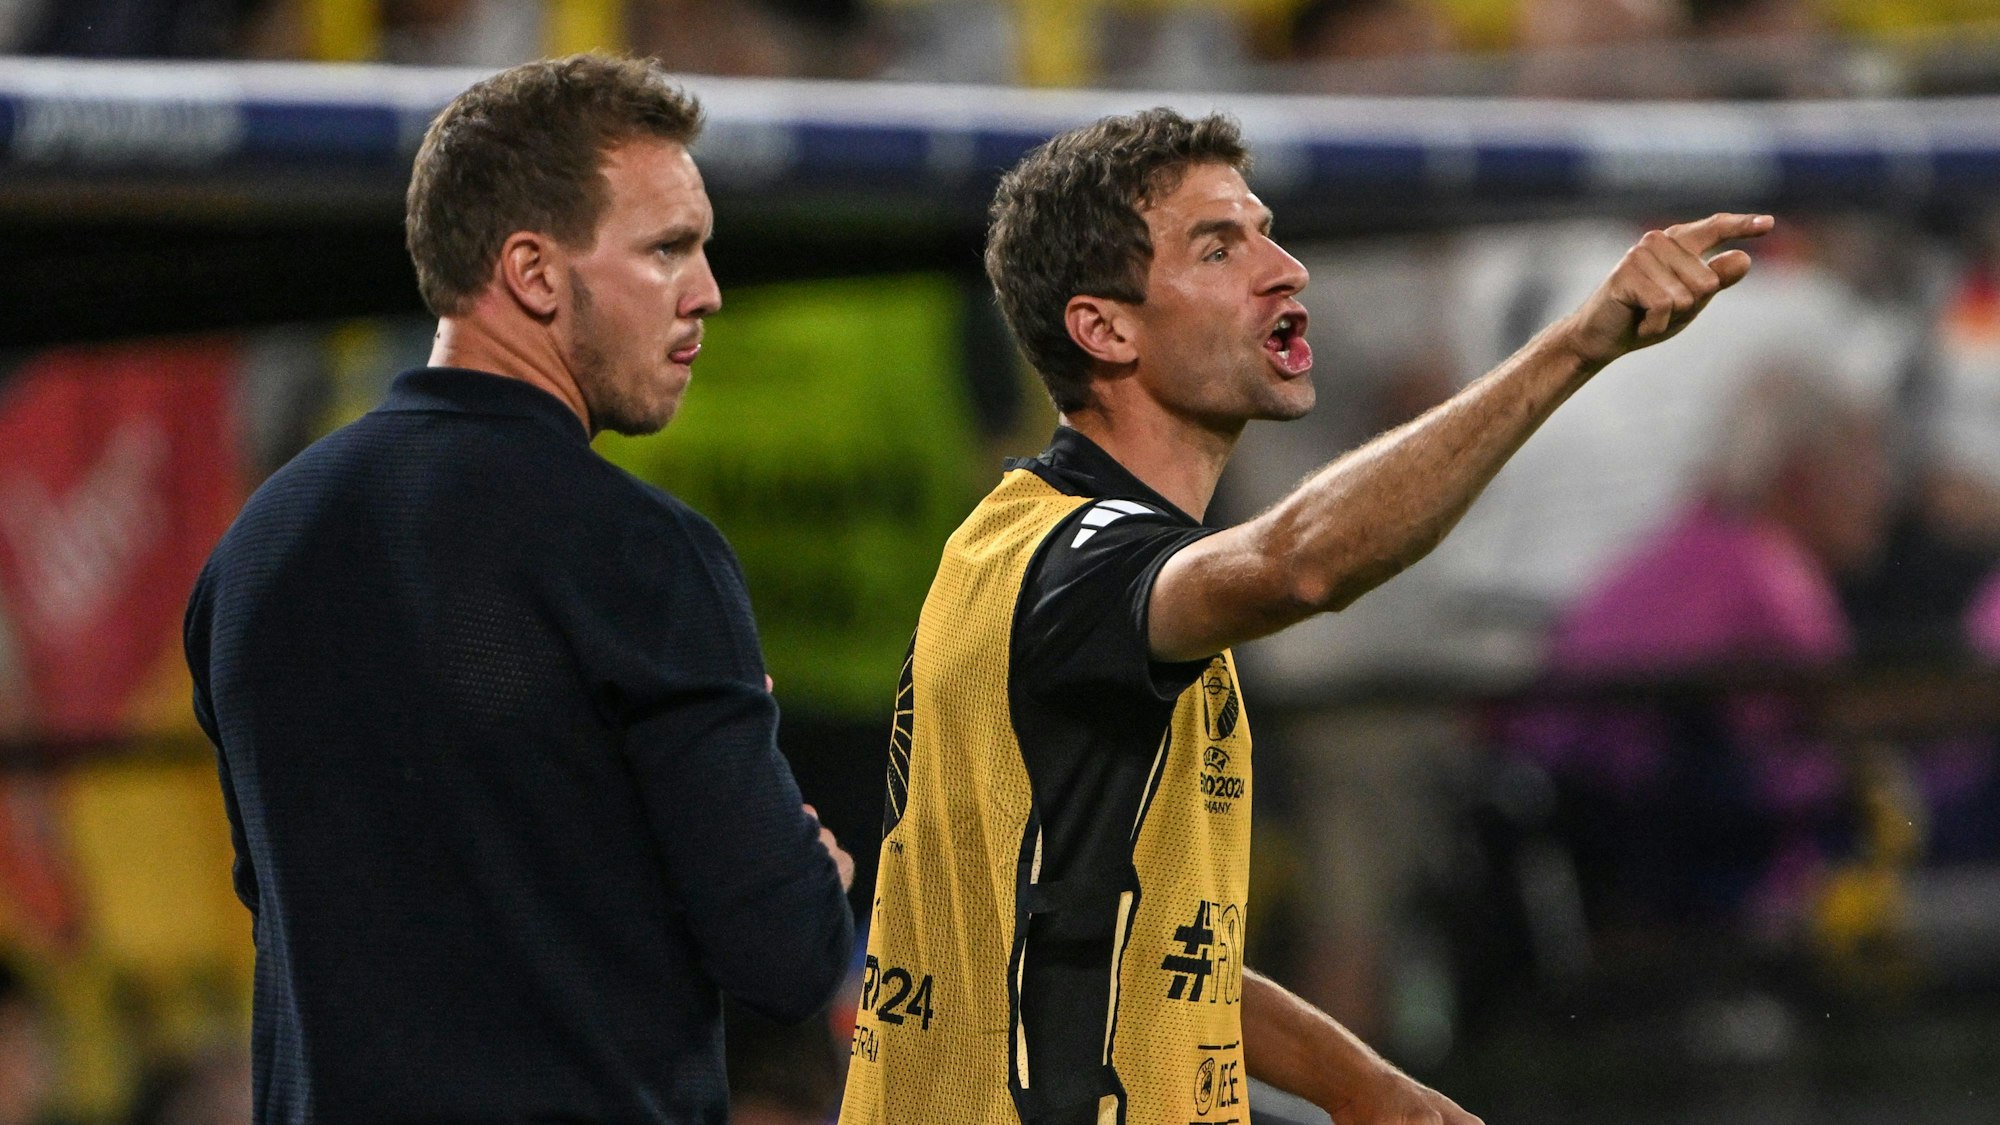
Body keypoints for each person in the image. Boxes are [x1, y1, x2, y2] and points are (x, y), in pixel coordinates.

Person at [838, 107, 1769, 1124]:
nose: (1284, 269)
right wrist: (1572, 350)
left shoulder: (1029, 542)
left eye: (1265, 231)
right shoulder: (1082, 565)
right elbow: (1299, 567)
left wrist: (1372, 1093)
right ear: (1103, 328)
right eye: (1217, 246)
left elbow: (1143, 957)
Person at [182, 54, 855, 1123]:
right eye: (667, 249)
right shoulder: (640, 555)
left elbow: (300, 905)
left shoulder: (252, 549)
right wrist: (798, 866)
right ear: (536, 274)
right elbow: (785, 953)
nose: (709, 292)